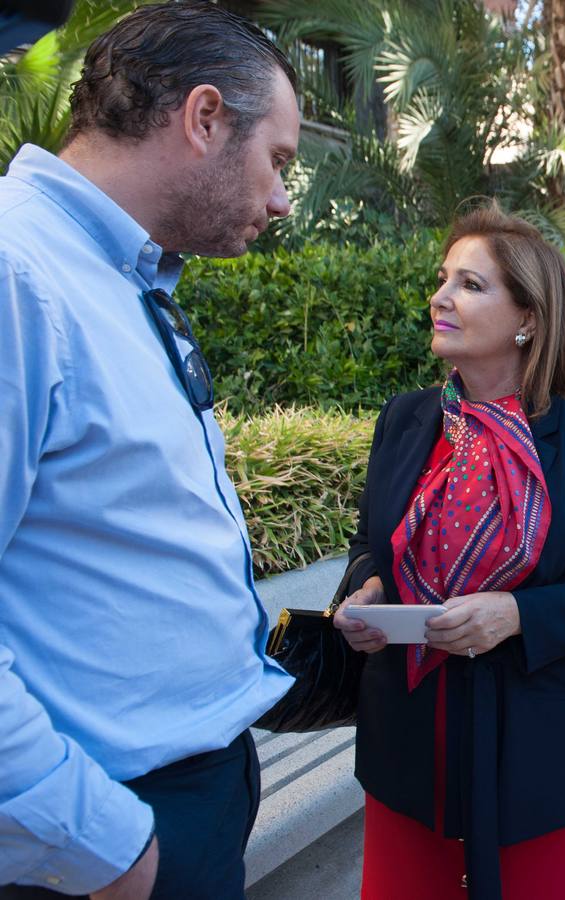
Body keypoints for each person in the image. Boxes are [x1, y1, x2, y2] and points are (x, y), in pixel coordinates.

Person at [0, 4, 299, 898]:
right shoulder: (19, 274)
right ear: (204, 118)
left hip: (177, 800)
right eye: (277, 160)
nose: (282, 199)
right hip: (104, 833)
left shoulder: (121, 276)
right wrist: (103, 843)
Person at [333, 204, 565, 900]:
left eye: (470, 285)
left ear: (529, 318)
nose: (440, 297)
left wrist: (517, 614)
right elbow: (369, 544)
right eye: (443, 279)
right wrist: (366, 591)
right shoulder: (405, 419)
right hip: (408, 752)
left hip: (536, 753)